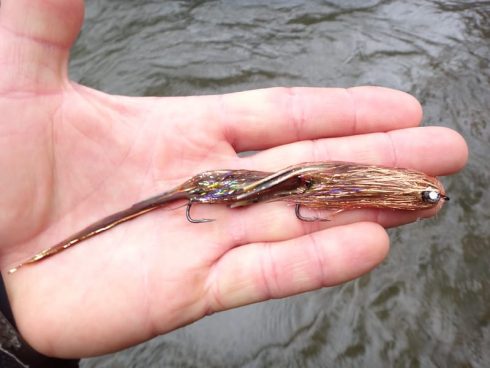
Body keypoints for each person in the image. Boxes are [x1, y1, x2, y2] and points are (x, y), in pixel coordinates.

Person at [0, 0, 468, 366]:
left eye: (428, 195)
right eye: (426, 194)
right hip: (239, 186)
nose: (433, 196)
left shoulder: (358, 183)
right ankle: (40, 256)